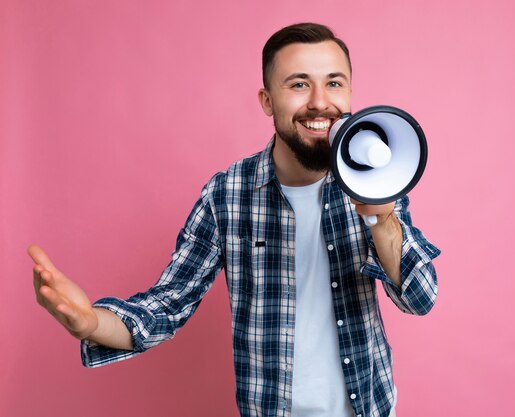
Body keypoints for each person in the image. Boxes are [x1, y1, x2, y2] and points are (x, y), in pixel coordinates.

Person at [28, 22, 440, 417]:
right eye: (299, 84)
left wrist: (382, 220)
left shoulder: (380, 182)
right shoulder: (228, 194)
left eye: (334, 82)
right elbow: (168, 304)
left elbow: (420, 299)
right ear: (267, 101)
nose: (320, 101)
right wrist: (91, 323)